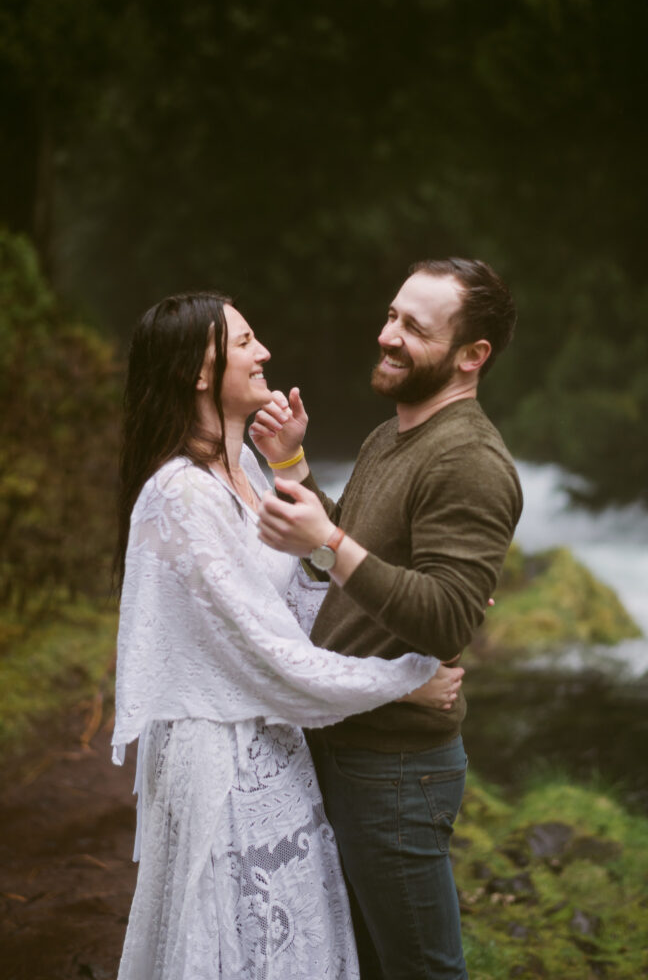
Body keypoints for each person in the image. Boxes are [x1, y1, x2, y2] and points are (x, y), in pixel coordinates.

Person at [111, 290, 464, 980]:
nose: (265, 352)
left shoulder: (240, 472)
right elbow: (271, 657)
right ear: (199, 372)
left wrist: (289, 466)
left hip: (277, 751)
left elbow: (304, 606)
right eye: (245, 342)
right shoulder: (180, 495)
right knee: (239, 948)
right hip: (222, 762)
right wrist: (407, 681)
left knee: (287, 947)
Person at [254, 258, 523, 980]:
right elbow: (353, 563)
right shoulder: (389, 436)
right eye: (393, 316)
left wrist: (328, 541)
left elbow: (446, 621)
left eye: (415, 327)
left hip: (397, 769)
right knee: (364, 964)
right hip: (349, 744)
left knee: (423, 970)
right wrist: (294, 467)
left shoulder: (470, 461)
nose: (389, 335)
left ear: (473, 356)